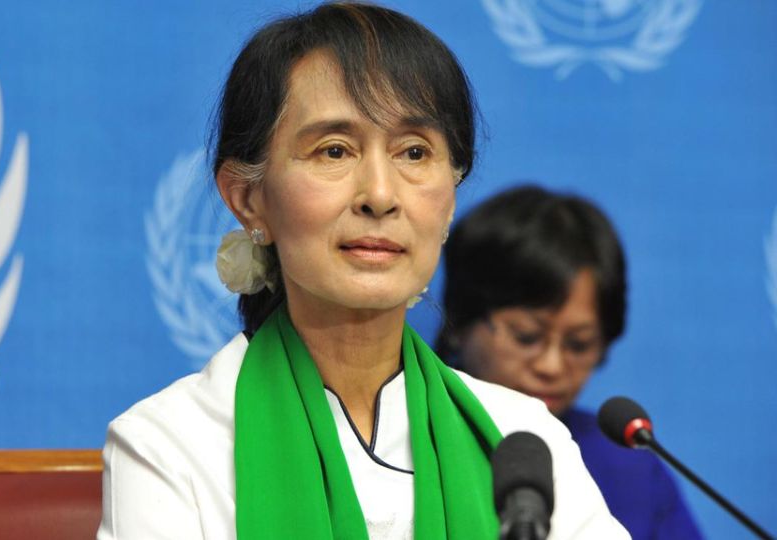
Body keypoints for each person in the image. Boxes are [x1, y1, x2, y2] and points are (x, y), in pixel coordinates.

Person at [99, 4, 628, 539]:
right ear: (248, 198)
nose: (379, 194)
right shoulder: (169, 446)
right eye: (335, 150)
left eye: (415, 152)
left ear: (448, 202)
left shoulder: (521, 440)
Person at [435, 185, 703, 539]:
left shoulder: (627, 468)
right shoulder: (401, 440)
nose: (551, 366)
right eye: (526, 336)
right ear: (461, 320)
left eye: (579, 344)